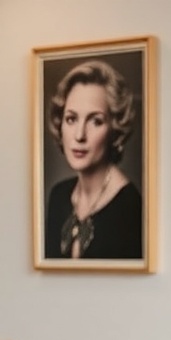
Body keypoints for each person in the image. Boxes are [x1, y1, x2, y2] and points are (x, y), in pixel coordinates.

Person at [45, 59, 142, 260]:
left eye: (96, 121)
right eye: (71, 119)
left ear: (115, 129)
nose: (79, 135)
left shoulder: (129, 207)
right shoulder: (58, 196)